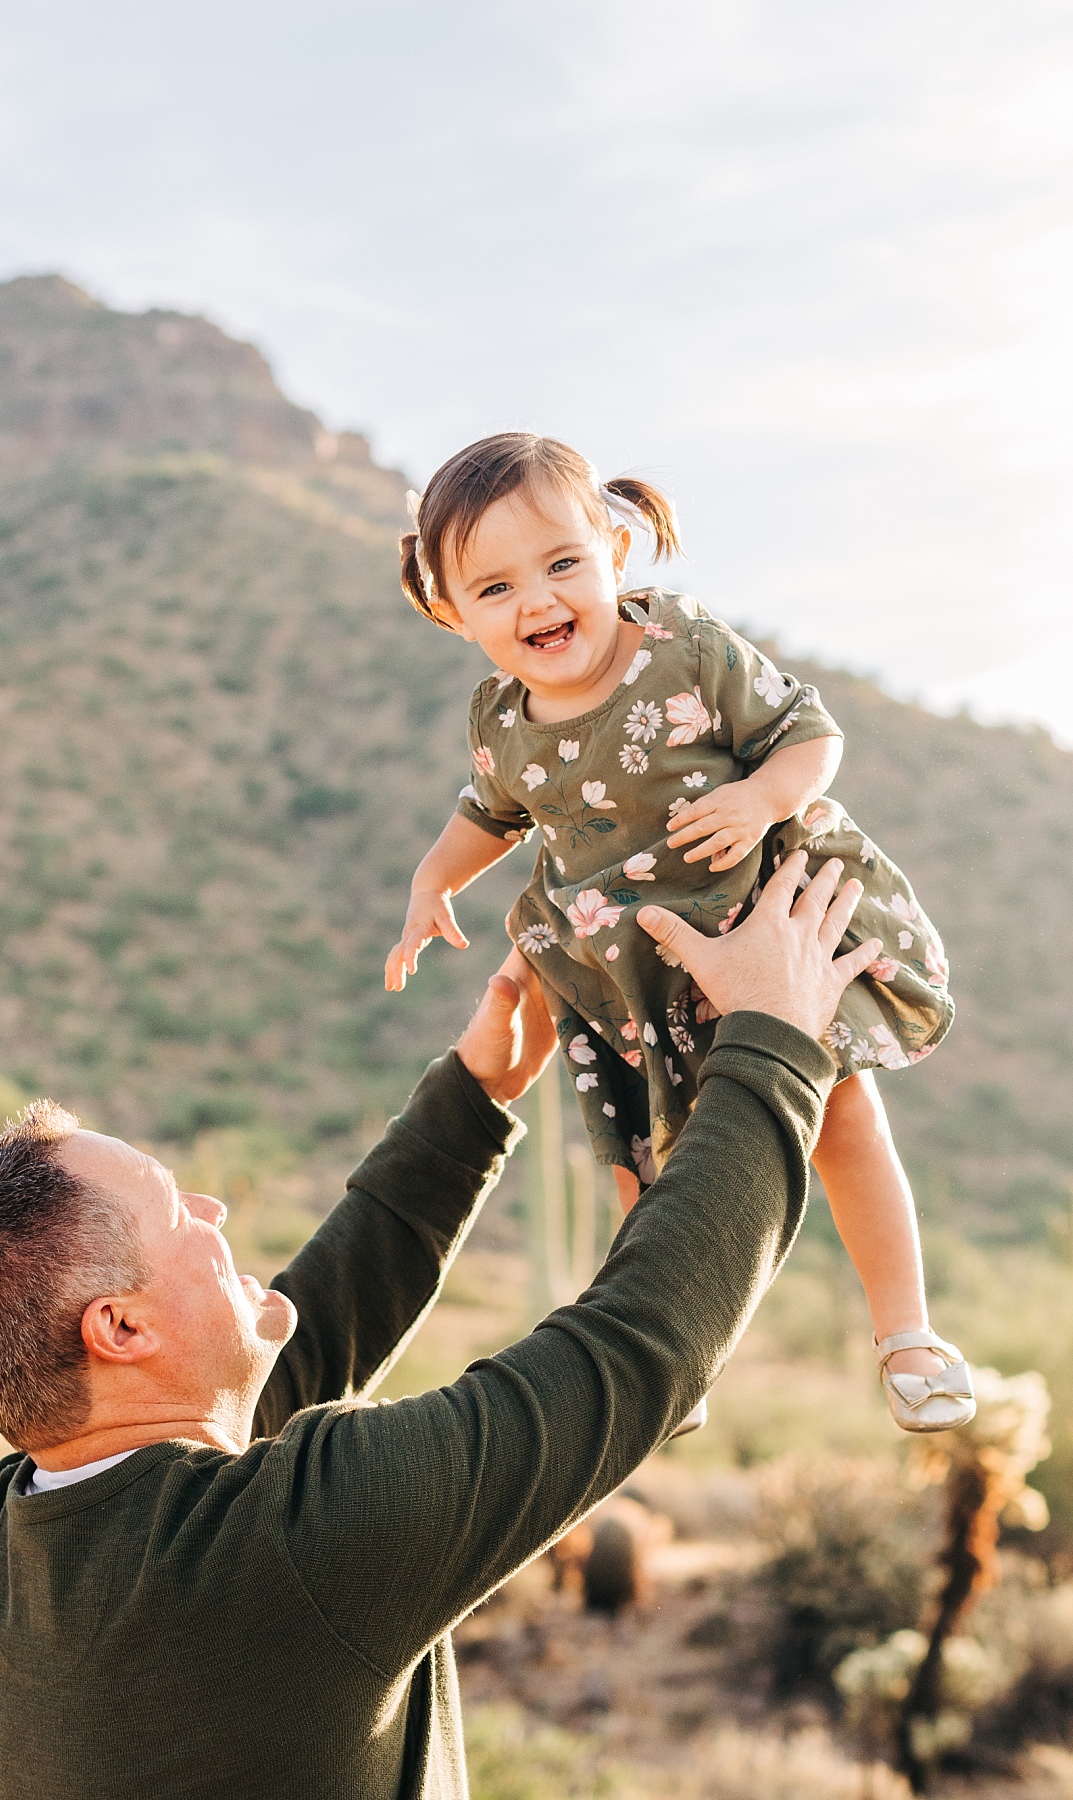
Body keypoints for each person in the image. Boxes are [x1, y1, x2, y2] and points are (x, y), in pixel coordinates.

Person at [0, 852, 873, 1800]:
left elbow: (292, 1362)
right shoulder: (295, 1550)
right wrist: (771, 1041)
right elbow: (637, 1351)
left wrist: (470, 1105)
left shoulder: (10, 1546)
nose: (213, 1209)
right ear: (121, 1329)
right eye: (173, 1210)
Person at [387, 433, 974, 1434]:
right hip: (621, 975)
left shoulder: (689, 652)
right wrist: (430, 882)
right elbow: (489, 814)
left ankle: (906, 1333)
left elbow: (811, 734)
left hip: (763, 941)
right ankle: (666, 1363)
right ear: (451, 610)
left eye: (563, 564)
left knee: (844, 1121)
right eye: (495, 588)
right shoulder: (501, 719)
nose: (537, 602)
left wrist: (757, 798)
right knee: (637, 1169)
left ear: (614, 552)